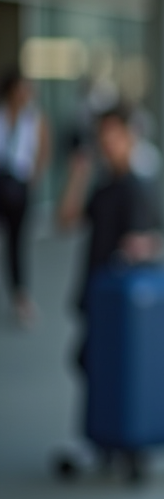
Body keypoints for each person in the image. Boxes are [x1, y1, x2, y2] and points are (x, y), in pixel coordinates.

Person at [57, 105, 163, 479]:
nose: (108, 145)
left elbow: (155, 239)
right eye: (103, 138)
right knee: (89, 362)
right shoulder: (102, 186)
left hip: (123, 304)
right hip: (97, 294)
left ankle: (120, 442)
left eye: (114, 137)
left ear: (129, 138)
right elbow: (66, 220)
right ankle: (105, 441)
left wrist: (142, 246)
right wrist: (78, 175)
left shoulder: (138, 186)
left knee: (112, 365)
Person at [0, 68, 52, 327]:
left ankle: (20, 297)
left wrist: (33, 178)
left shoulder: (34, 118)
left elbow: (43, 149)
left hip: (18, 184)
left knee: (16, 243)